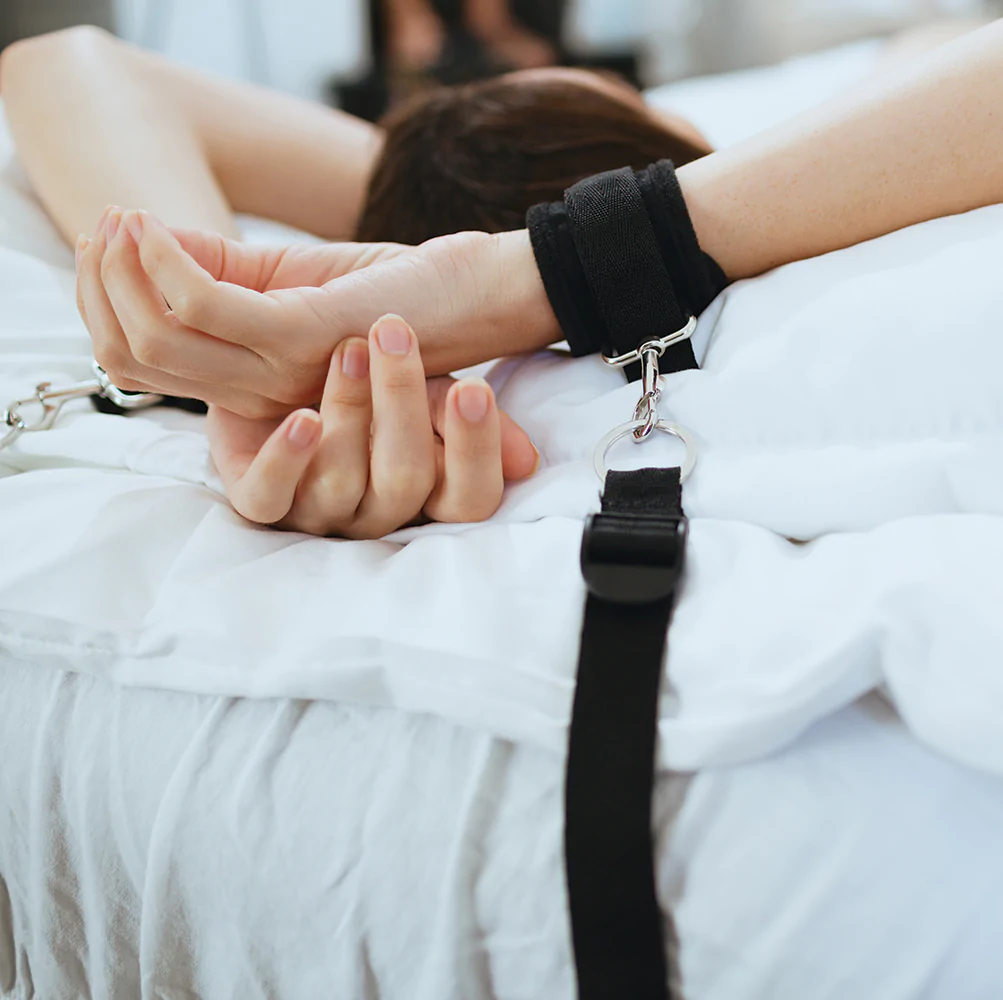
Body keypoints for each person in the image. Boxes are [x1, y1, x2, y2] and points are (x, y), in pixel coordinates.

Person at [3, 19, 999, 537]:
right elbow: (62, 61)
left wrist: (202, 316)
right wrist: (228, 350)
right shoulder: (743, 166)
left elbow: (69, 63)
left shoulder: (491, 230)